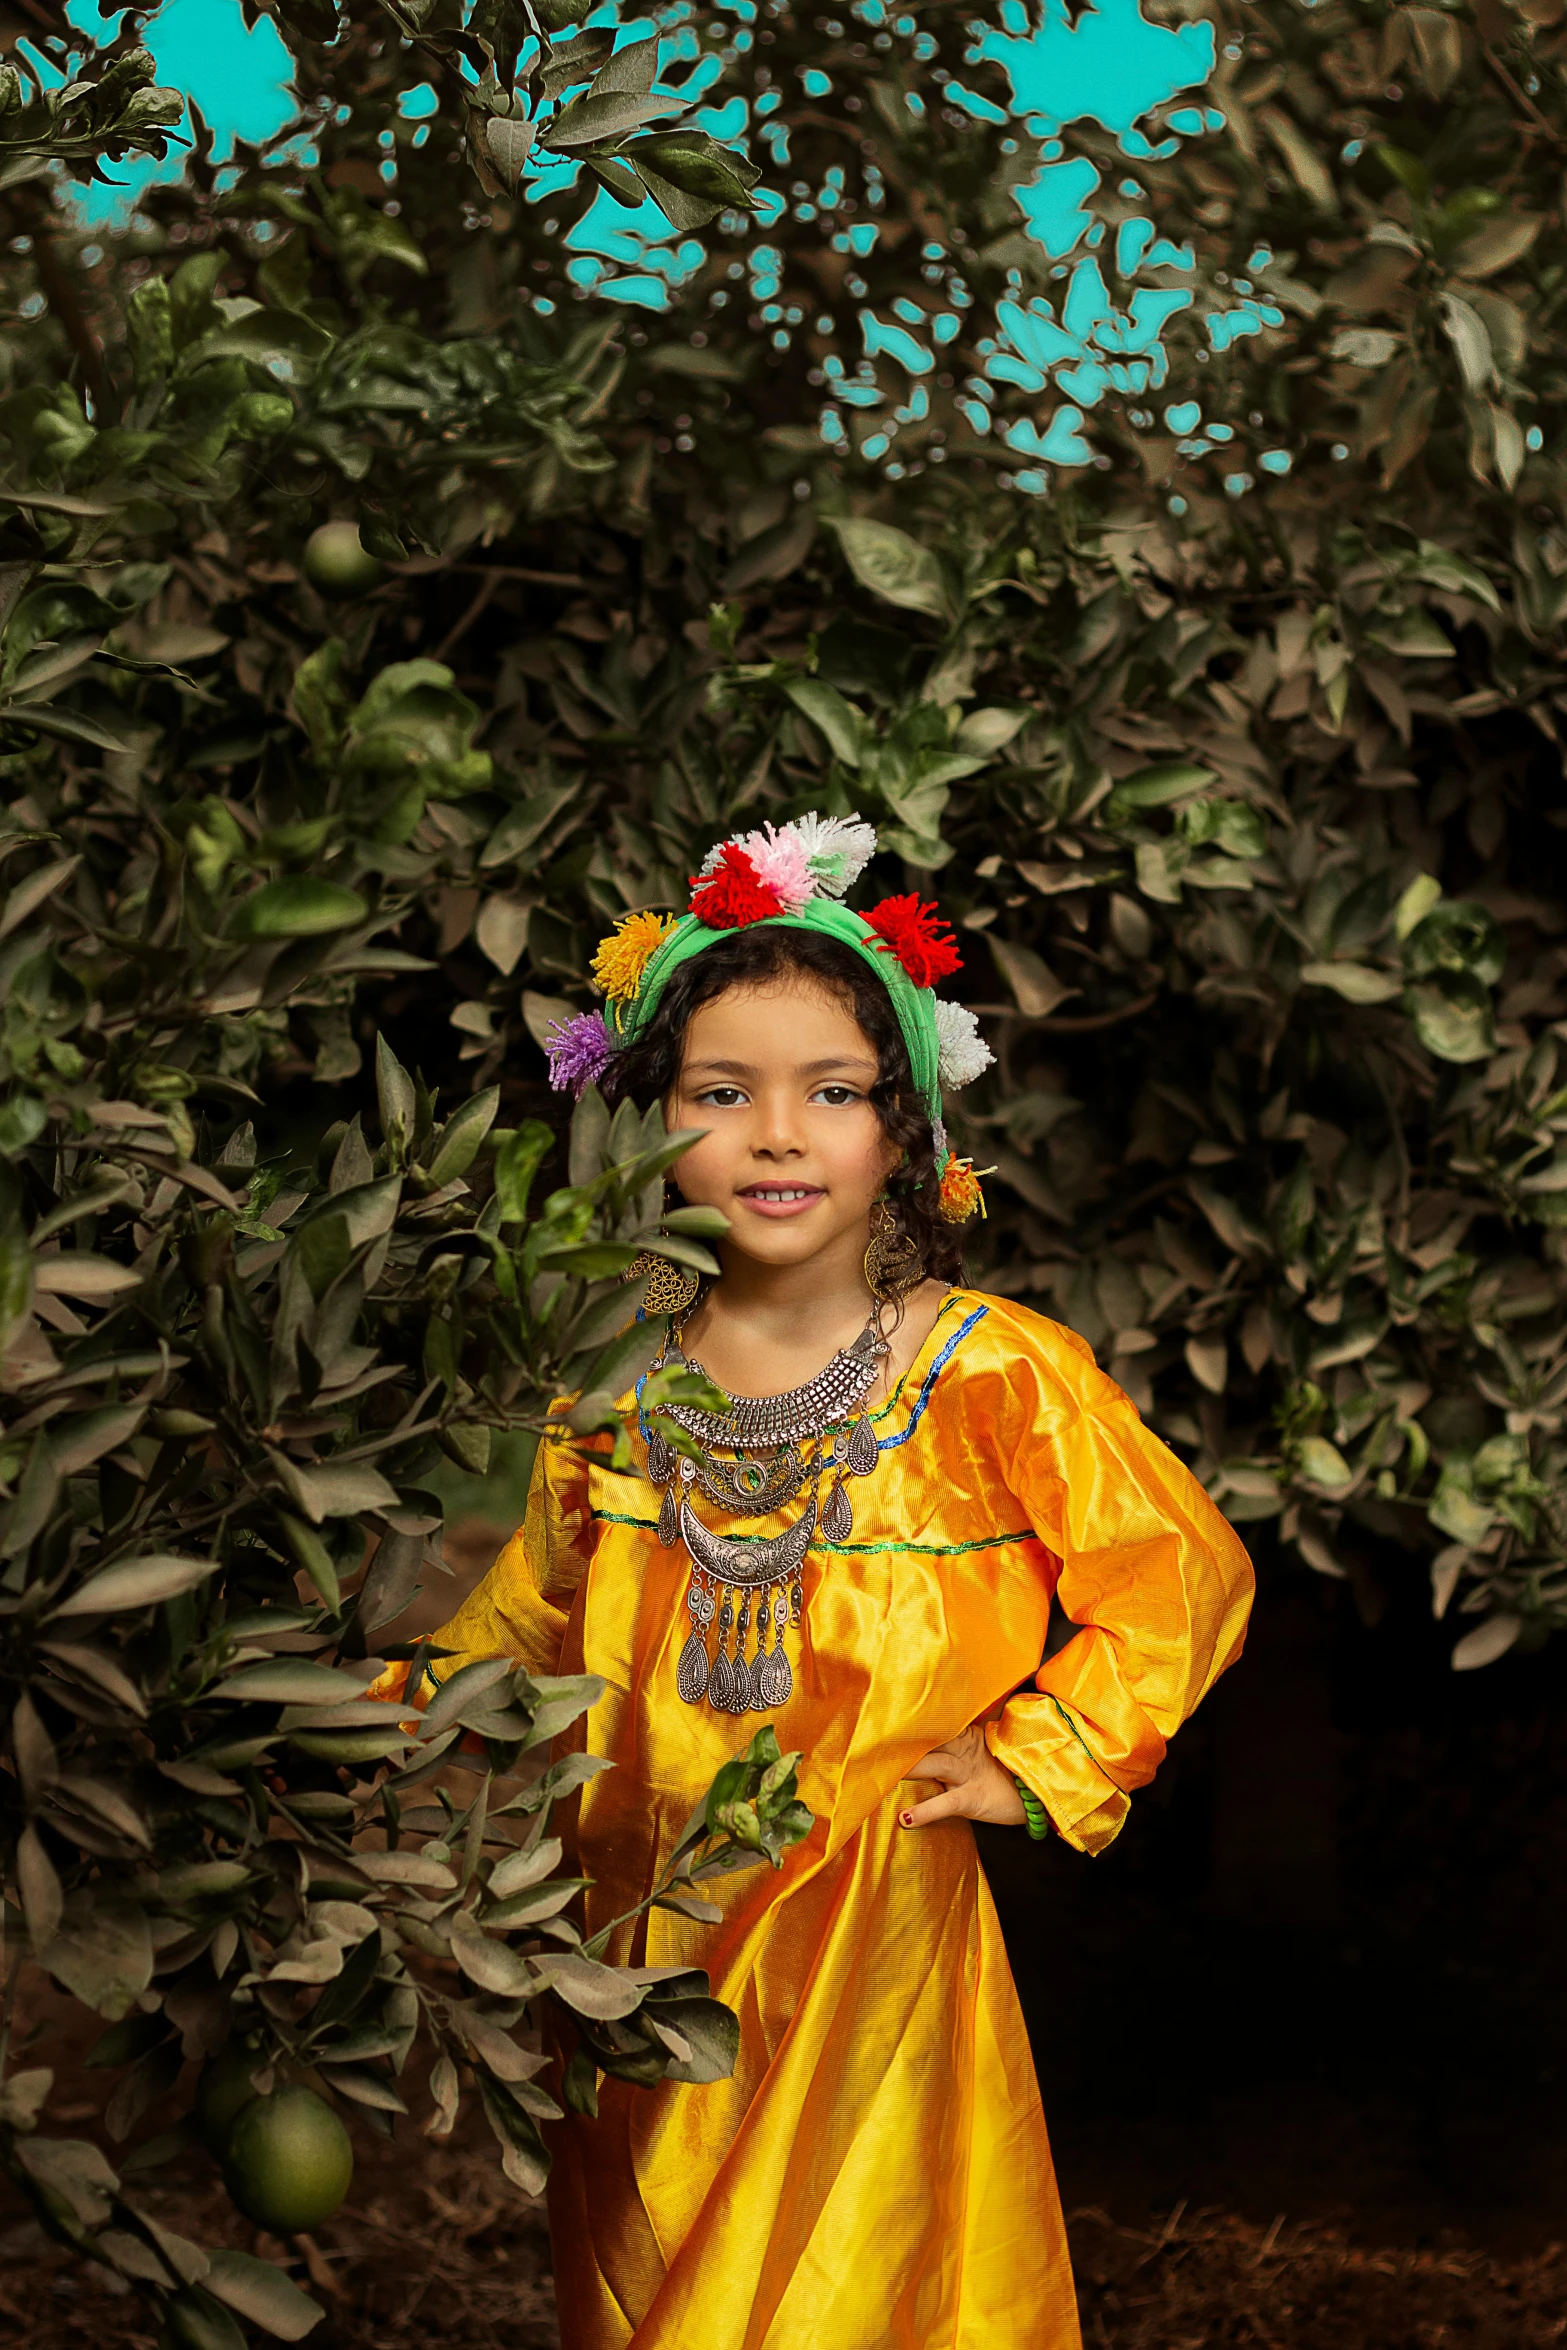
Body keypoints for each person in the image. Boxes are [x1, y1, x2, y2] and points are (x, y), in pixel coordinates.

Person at [382, 814, 1254, 2350]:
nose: (778, 1133)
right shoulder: (608, 1383)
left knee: (846, 2288)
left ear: (903, 1134)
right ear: (652, 1124)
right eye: (724, 1093)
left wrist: (1041, 1751)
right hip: (630, 1925)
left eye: (831, 1092)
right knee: (650, 2284)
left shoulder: (986, 1372)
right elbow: (519, 1615)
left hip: (869, 1921)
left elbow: (1176, 1567)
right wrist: (369, 1729)